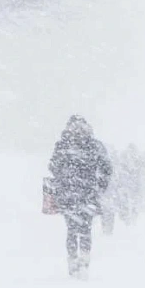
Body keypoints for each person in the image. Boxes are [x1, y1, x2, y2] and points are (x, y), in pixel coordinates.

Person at [48, 115, 112, 279]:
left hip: (67, 193)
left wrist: (65, 178)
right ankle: (84, 260)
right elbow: (106, 168)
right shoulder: (94, 144)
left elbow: (53, 166)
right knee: (85, 229)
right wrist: (99, 186)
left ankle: (72, 261)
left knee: (71, 229)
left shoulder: (63, 144)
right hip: (87, 194)